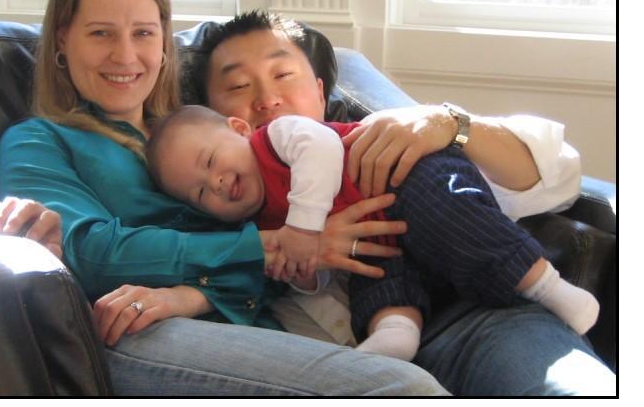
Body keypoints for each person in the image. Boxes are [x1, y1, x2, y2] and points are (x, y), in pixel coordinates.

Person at [0, 0, 448, 396]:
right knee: (402, 388)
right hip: (136, 332)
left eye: (143, 33)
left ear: (164, 40)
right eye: (100, 33)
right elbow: (89, 253)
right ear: (61, 39)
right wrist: (271, 246)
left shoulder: (197, 130)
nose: (126, 56)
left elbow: (272, 263)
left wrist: (193, 294)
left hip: (248, 317)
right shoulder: (38, 140)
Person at [191, 10, 615, 395]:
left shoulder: (383, 137)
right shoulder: (213, 203)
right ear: (217, 118)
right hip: (350, 356)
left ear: (320, 93)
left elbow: (561, 179)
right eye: (238, 86)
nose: (267, 98)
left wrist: (454, 126)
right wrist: (288, 251)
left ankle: (545, 284)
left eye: (283, 74)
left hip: (479, 315)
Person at [146, 105, 600, 362]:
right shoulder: (260, 228)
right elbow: (324, 270)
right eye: (200, 193)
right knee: (368, 269)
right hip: (376, 233)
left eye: (210, 162)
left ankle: (547, 285)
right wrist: (306, 270)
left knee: (457, 219)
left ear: (239, 128)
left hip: (408, 179)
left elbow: (321, 148)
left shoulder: (276, 137)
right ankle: (397, 330)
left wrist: (302, 227)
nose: (216, 183)